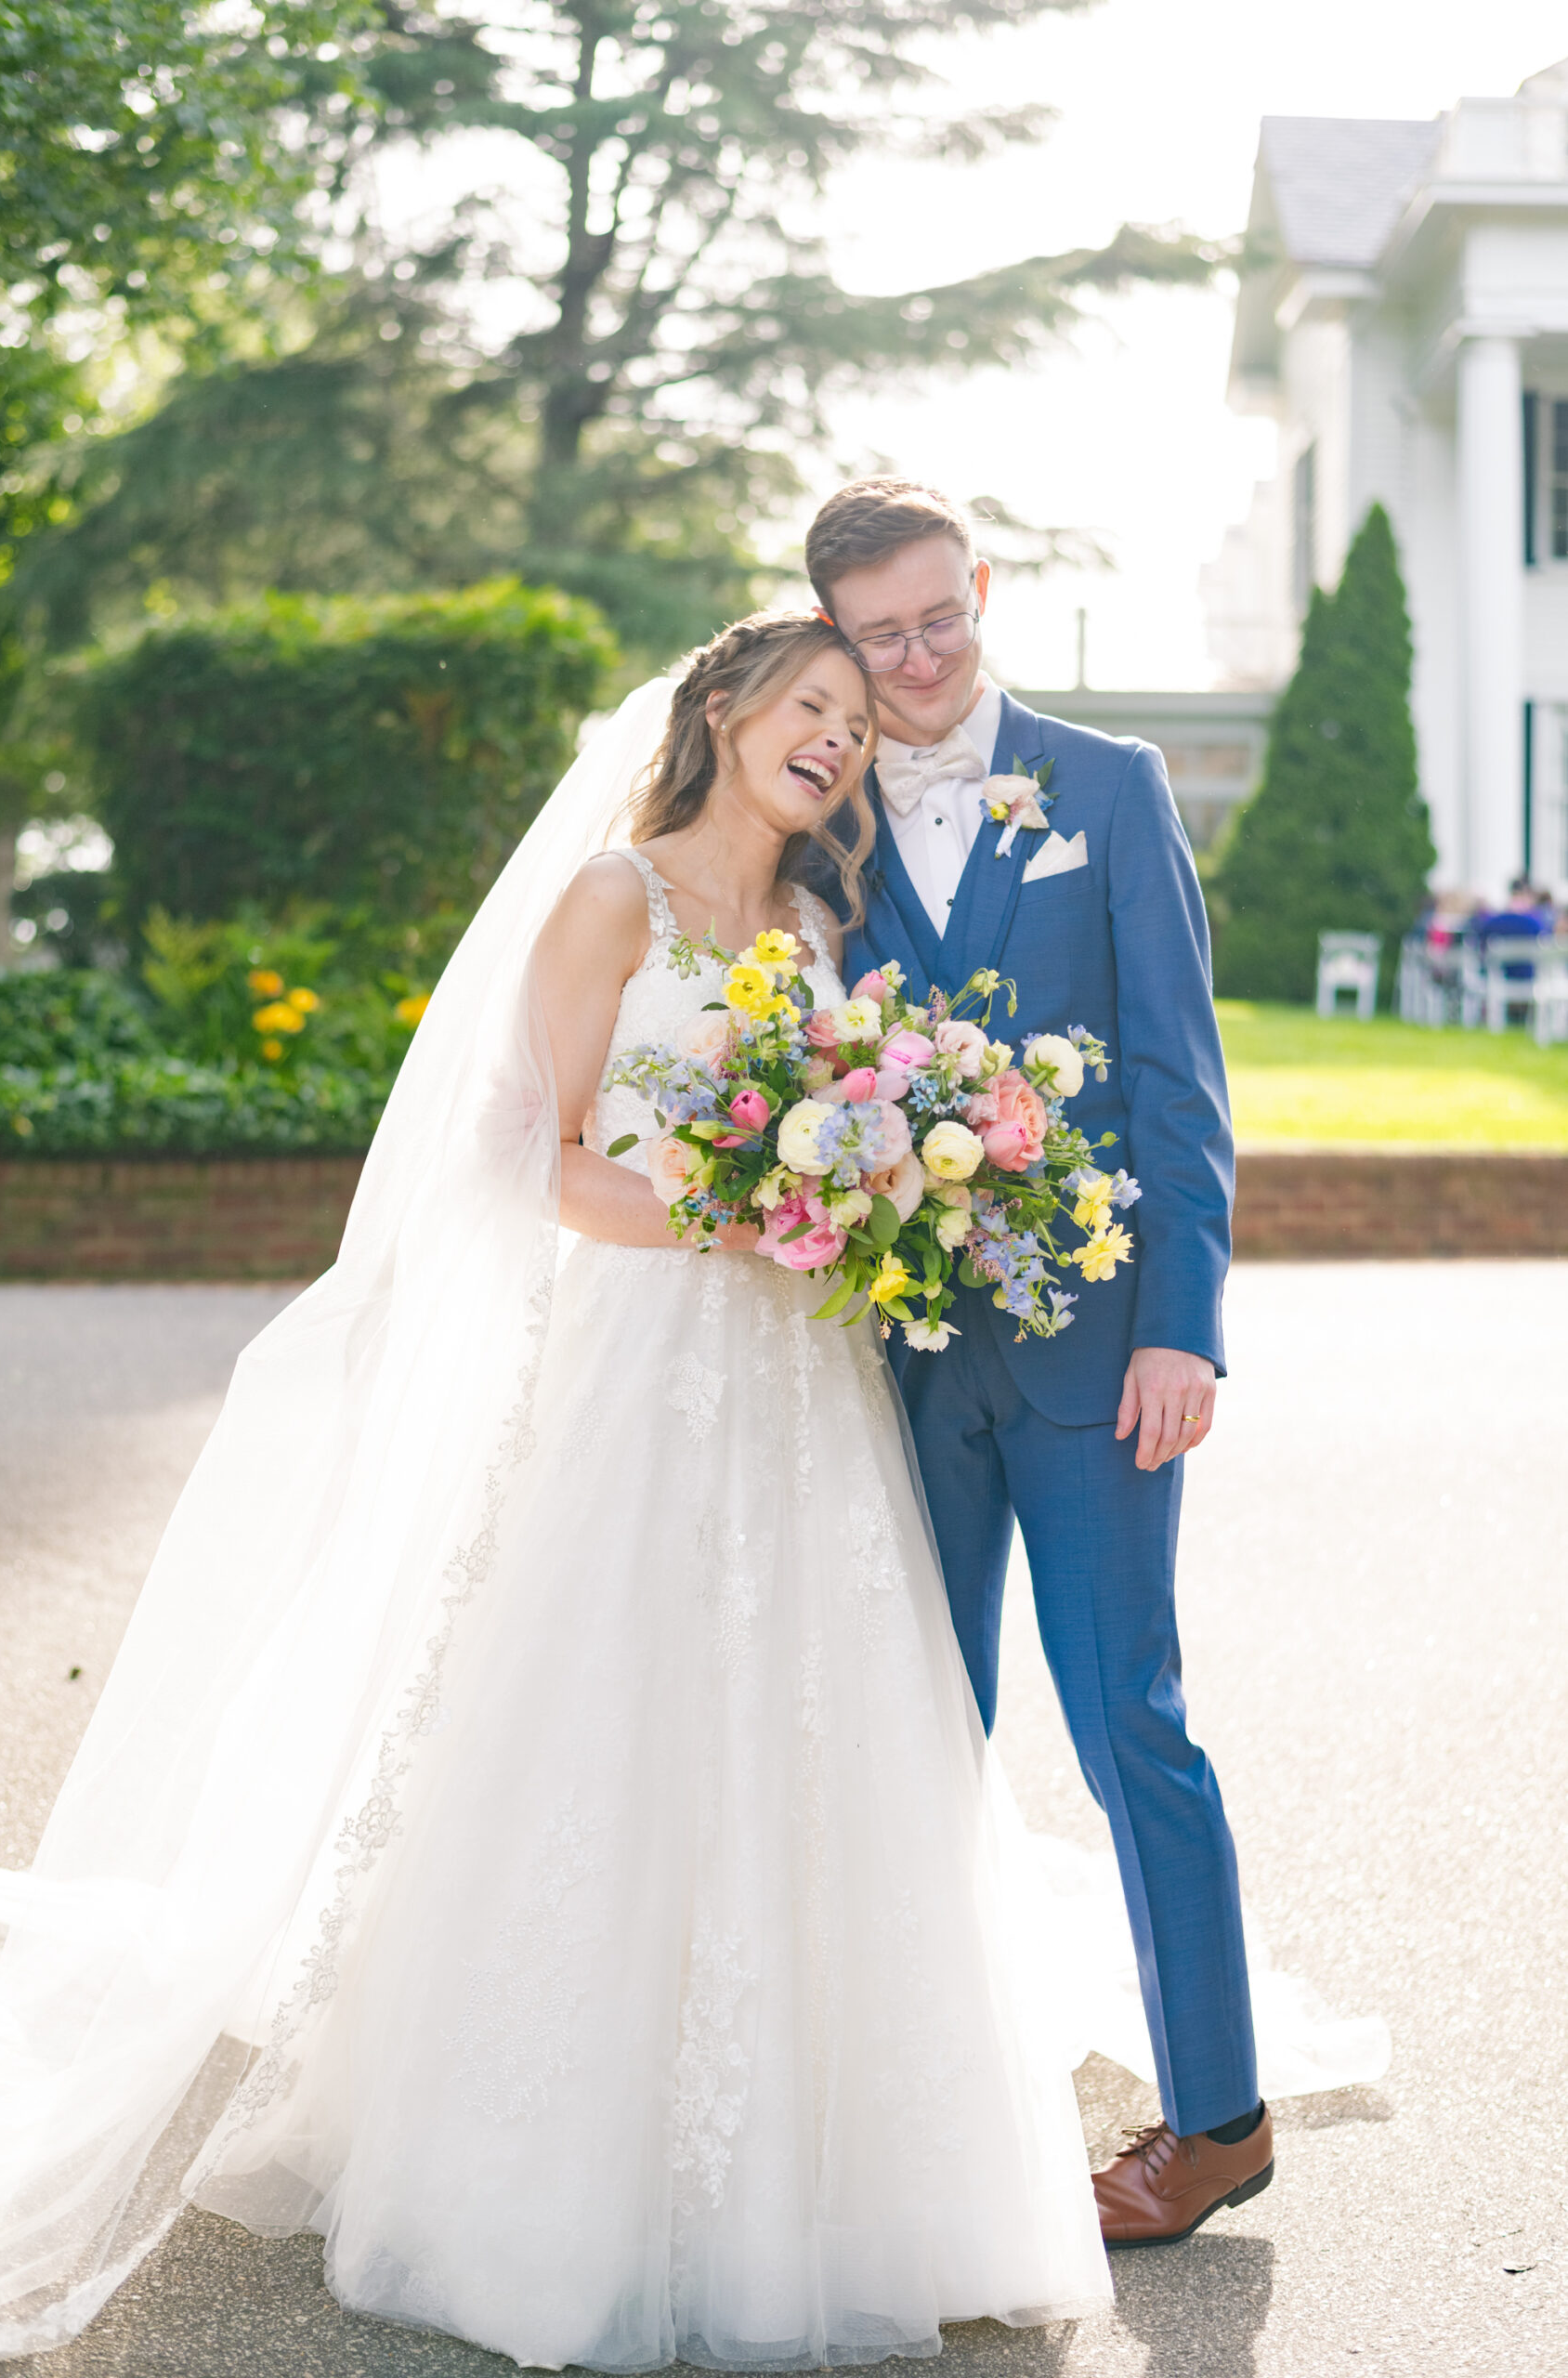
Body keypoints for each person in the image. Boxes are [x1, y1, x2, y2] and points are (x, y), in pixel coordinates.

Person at [0, 610, 1385, 2368]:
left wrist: (858, 1197)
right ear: (722, 708)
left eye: (854, 727)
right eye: (812, 706)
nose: (836, 742)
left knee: (826, 1736)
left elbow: (883, 1115)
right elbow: (537, 1161)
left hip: (810, 1382)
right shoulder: (609, 899)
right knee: (615, 1721)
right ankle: (559, 2150)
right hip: (648, 1371)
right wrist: (739, 1211)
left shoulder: (816, 922)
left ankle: (849, 2156)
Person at [804, 477, 1269, 2244]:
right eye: (880, 635)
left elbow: (1179, 1080)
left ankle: (1217, 2121)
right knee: (913, 1730)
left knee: (1130, 1725)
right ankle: (925, 2119)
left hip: (1095, 1360)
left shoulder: (1110, 787)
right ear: (834, 637)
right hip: (898, 1368)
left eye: (940, 617)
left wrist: (1183, 1327)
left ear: (981, 588)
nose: (919, 659)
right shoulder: (821, 816)